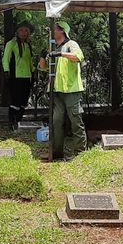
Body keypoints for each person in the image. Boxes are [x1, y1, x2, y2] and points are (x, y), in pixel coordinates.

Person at [38, 21, 86, 160]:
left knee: (75, 122)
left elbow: (78, 57)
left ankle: (79, 153)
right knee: (56, 122)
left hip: (72, 90)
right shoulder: (53, 46)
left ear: (62, 31)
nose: (51, 31)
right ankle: (56, 153)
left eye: (54, 28)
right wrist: (43, 56)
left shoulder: (71, 44)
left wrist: (60, 54)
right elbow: (43, 67)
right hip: (56, 91)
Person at [2, 20, 35, 129]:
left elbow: (30, 61)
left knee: (24, 101)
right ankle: (12, 122)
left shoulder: (28, 45)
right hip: (15, 77)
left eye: (26, 30)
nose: (23, 32)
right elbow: (5, 59)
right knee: (15, 101)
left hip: (27, 76)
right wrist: (6, 72)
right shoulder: (11, 43)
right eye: (21, 30)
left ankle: (19, 122)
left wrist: (33, 72)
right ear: (17, 31)